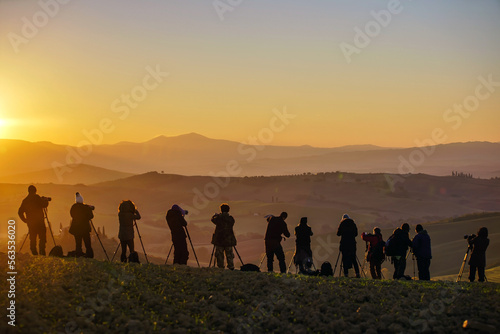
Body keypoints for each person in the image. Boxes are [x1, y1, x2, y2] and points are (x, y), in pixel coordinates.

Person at [18, 185, 50, 255]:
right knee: (42, 237)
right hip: (40, 222)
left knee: (32, 238)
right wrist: (46, 200)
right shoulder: (37, 198)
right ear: (35, 191)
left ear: (28, 191)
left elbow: (20, 212)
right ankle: (42, 251)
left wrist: (25, 220)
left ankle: (34, 252)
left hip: (31, 223)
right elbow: (44, 205)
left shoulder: (25, 200)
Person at [211, 203, 236, 270]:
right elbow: (232, 223)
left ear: (221, 210)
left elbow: (212, 220)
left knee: (219, 254)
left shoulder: (218, 218)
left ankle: (220, 267)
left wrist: (216, 215)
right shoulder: (231, 219)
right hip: (229, 240)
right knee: (229, 254)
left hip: (219, 240)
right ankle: (231, 267)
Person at [69, 192, 94, 258]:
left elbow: (71, 215)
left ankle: (78, 254)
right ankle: (89, 255)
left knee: (78, 243)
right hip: (85, 228)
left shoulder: (73, 207)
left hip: (76, 228)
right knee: (87, 243)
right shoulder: (86, 207)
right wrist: (89, 209)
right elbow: (91, 216)